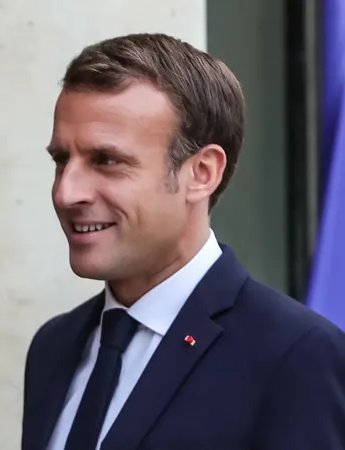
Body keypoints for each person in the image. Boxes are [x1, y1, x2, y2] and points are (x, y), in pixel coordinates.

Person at [22, 33, 345, 450]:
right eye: (62, 160)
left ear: (202, 173)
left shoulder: (295, 355)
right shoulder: (54, 347)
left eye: (107, 160)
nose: (67, 193)